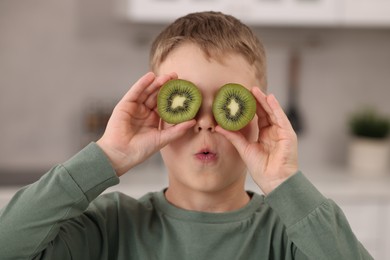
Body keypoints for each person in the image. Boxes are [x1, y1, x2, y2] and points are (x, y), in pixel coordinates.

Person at [0, 11, 373, 260]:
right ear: (159, 115)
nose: (206, 123)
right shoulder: (109, 226)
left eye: (228, 103)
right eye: (186, 104)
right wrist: (106, 154)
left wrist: (285, 182)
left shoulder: (290, 234)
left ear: (258, 114)